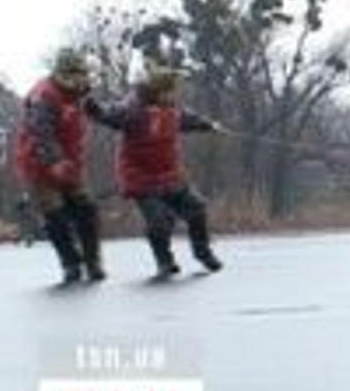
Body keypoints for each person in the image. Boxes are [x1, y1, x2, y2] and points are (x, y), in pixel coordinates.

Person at [84, 60, 224, 278]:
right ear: (158, 91)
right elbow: (111, 113)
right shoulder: (134, 109)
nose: (174, 95)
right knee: (159, 220)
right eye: (170, 91)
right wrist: (95, 109)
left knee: (196, 208)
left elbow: (188, 119)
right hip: (141, 178)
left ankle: (203, 252)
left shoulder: (172, 109)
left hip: (170, 174)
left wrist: (208, 125)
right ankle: (164, 261)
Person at [13, 47, 106, 283]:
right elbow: (40, 132)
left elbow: (100, 113)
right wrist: (55, 160)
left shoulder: (80, 95)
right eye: (74, 74)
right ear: (61, 73)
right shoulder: (44, 96)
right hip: (38, 165)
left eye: (81, 74)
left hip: (70, 163)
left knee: (87, 209)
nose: (79, 80)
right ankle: (70, 263)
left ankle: (93, 261)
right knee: (55, 215)